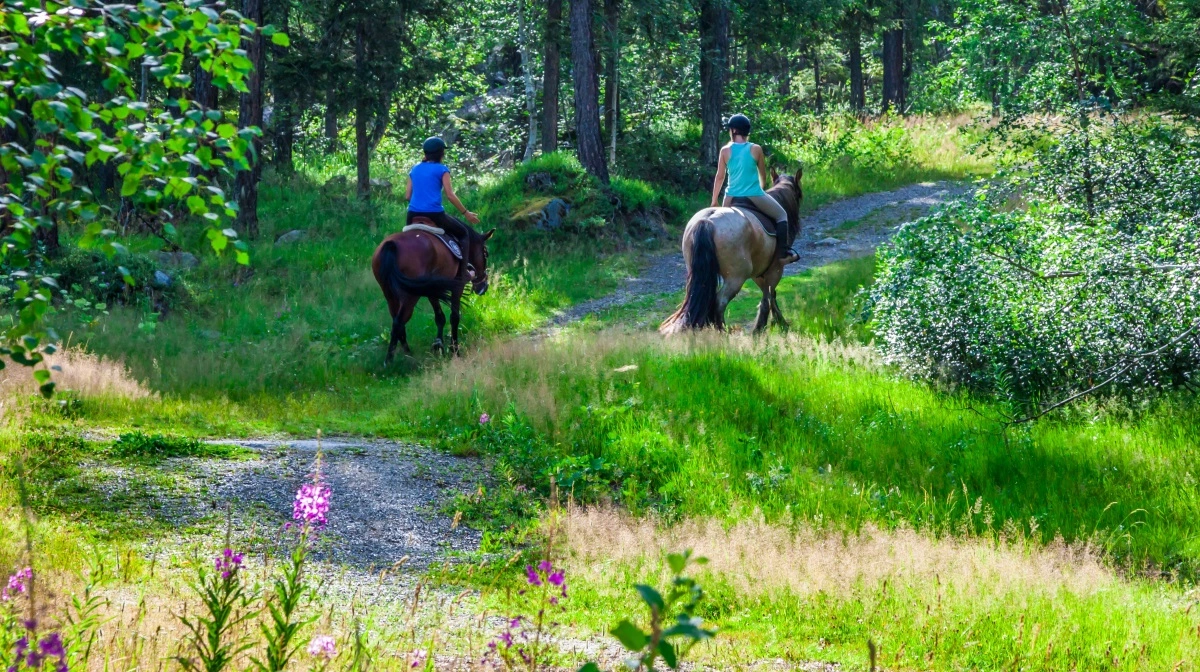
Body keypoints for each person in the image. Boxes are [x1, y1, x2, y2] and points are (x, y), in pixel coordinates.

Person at [710, 113, 790, 260]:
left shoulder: (725, 150)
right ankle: (782, 254)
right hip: (754, 194)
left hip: (730, 197)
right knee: (782, 215)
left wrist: (714, 201)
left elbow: (720, 177)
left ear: (733, 130)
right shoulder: (756, 149)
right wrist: (761, 189)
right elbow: (763, 175)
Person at [405, 137, 481, 280]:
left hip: (412, 215)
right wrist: (466, 213)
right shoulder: (442, 169)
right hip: (434, 215)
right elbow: (450, 195)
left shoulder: (414, 169)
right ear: (441, 154)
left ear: (425, 153)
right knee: (464, 233)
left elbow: (408, 196)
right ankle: (463, 271)